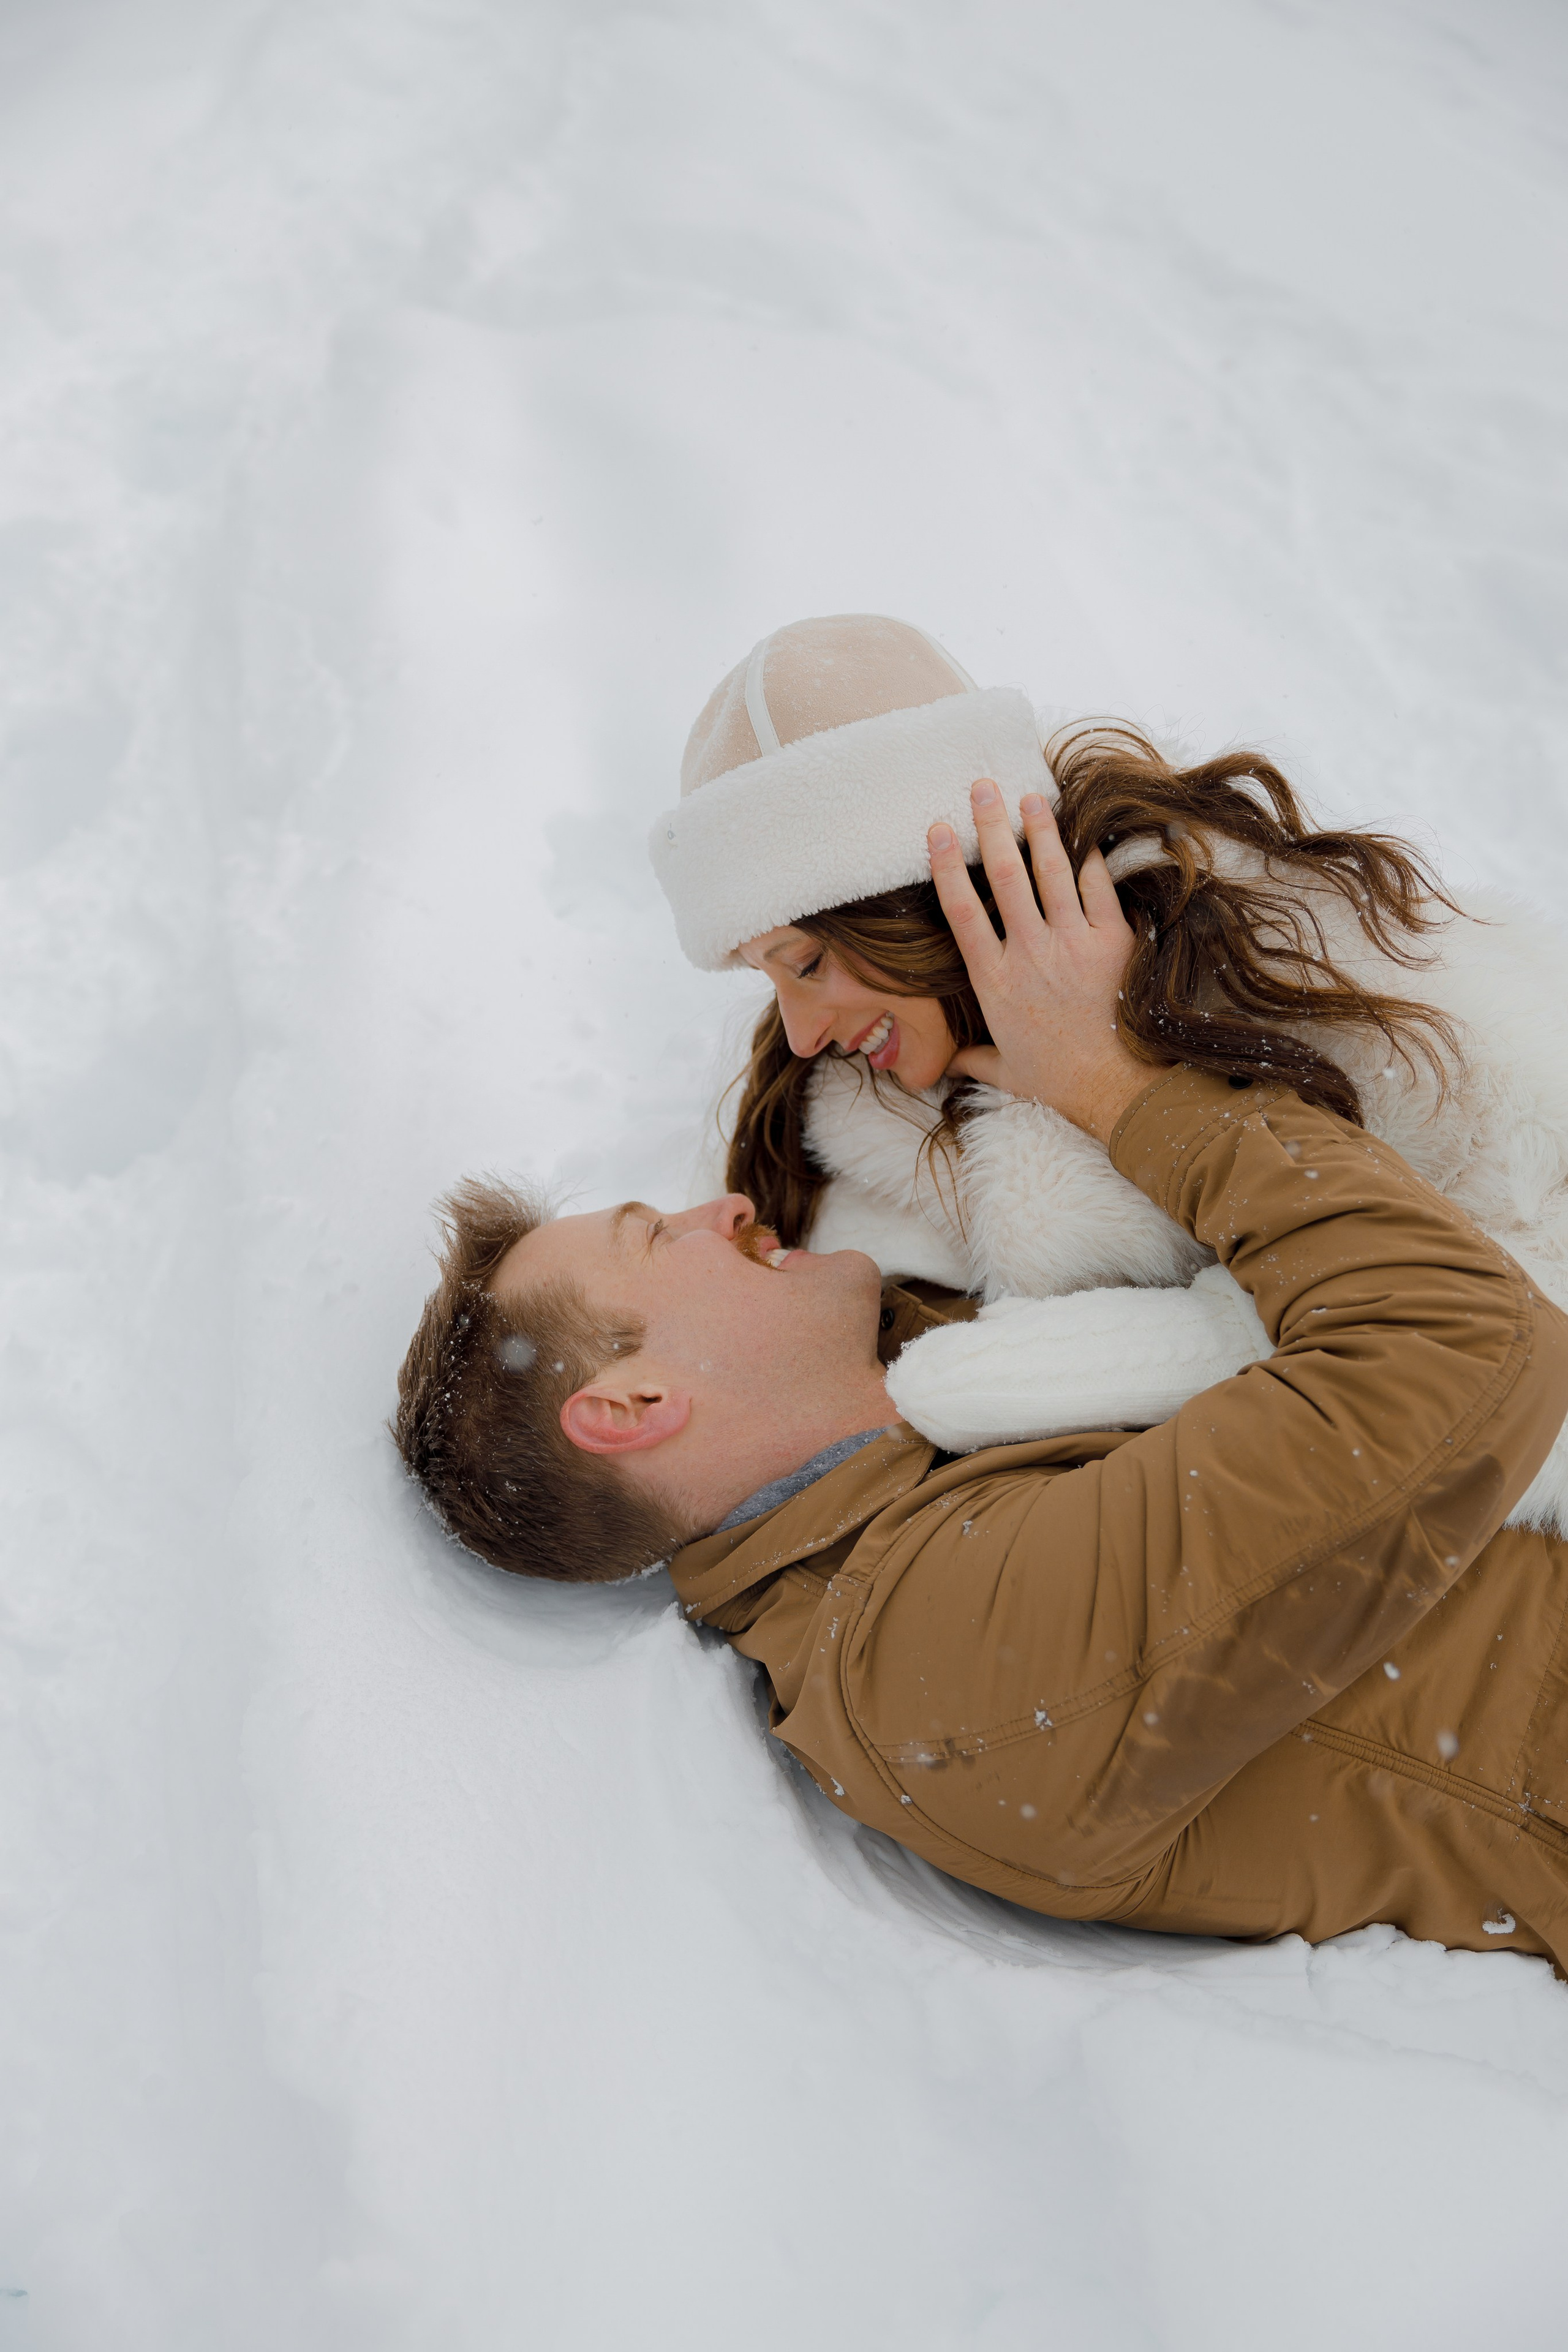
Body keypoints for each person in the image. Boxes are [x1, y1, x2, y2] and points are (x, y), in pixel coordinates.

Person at [396, 788, 1568, 1966]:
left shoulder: (929, 1419)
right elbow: (1475, 1348)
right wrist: (1118, 1090)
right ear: (633, 1408)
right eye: (661, 1238)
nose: (728, 1207)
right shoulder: (929, 1667)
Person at [650, 615, 1568, 1528]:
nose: (801, 1034)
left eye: (807, 964)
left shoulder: (1315, 985)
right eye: (769, 977)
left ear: (920, 896)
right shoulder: (850, 1104)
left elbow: (1495, 1348)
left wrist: (1106, 1090)